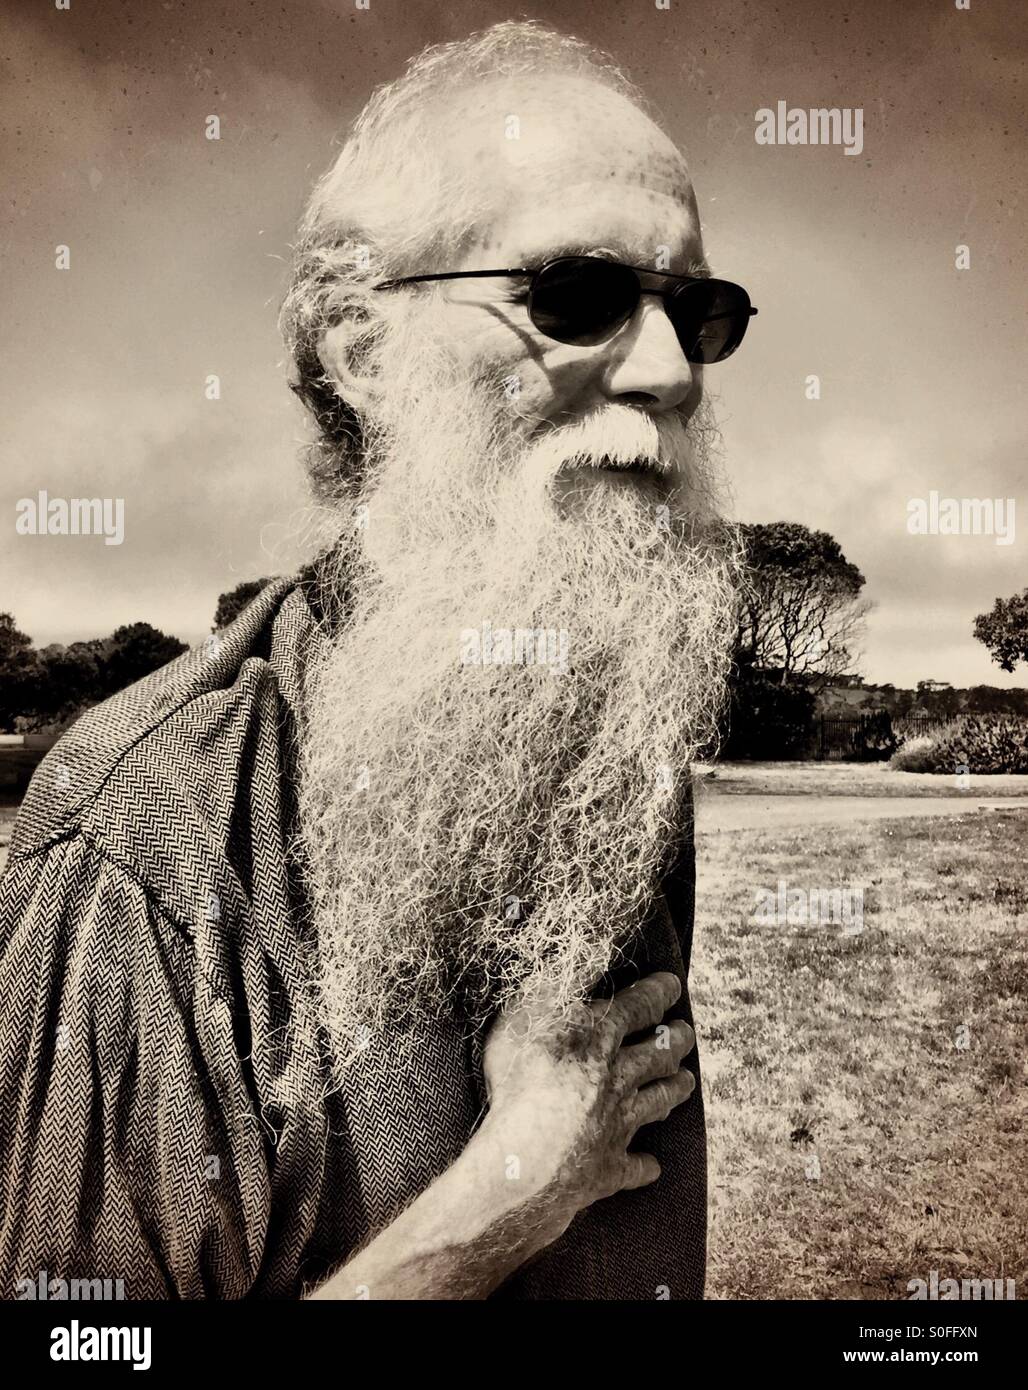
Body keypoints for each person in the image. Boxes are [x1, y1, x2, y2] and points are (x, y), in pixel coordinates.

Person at [0, 21, 755, 1300]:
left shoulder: (602, 748)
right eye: (576, 297)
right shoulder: (140, 838)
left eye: (699, 311)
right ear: (361, 352)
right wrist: (498, 1200)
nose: (670, 368)